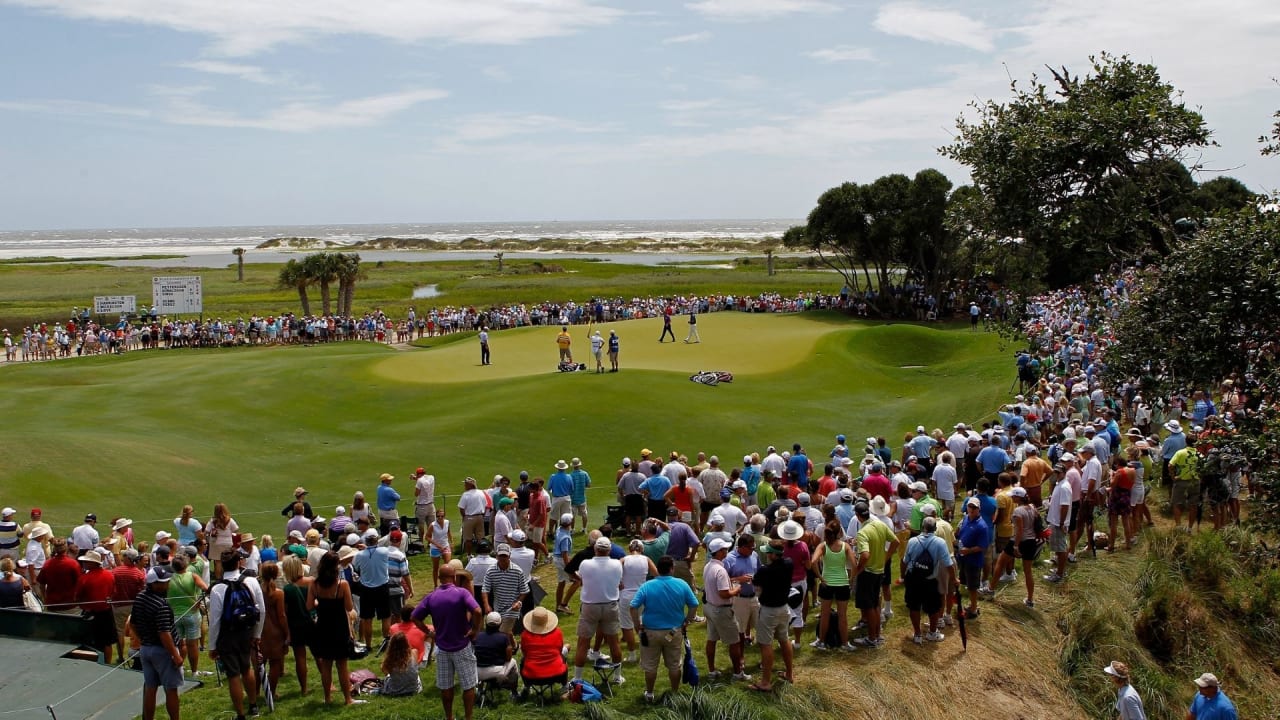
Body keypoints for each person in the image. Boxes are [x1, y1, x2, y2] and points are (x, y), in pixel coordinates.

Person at [411, 564, 482, 720]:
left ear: (439, 578)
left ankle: (449, 717)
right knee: (469, 685)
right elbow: (477, 611)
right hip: (462, 645)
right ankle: (468, 717)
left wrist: (429, 632)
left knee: (446, 686)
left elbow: (415, 617)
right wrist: (475, 629)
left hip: (442, 647)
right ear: (454, 577)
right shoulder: (461, 593)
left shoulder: (431, 596)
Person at [629, 556, 700, 703]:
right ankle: (674, 693)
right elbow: (694, 604)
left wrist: (637, 625)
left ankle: (649, 693)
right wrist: (688, 620)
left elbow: (633, 606)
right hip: (673, 631)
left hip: (650, 632)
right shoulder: (681, 584)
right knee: (674, 665)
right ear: (672, 568)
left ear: (658, 569)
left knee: (650, 666)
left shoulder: (647, 586)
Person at [209, 549, 267, 718]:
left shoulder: (217, 588)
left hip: (228, 634)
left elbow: (215, 621)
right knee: (247, 667)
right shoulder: (251, 581)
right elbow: (261, 610)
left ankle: (240, 713)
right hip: (247, 631)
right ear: (238, 563)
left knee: (233, 674)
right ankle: (253, 705)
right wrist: (257, 634)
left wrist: (212, 646)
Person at [570, 536, 626, 685]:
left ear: (595, 549)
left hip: (590, 606)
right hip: (610, 605)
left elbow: (579, 578)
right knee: (614, 642)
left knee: (583, 643)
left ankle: (578, 678)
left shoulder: (585, 564)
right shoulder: (616, 564)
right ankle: (617, 677)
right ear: (609, 550)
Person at [306, 551, 359, 706]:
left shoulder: (314, 584)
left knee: (326, 665)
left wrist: (319, 603)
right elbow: (349, 607)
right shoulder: (342, 584)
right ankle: (348, 699)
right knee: (342, 665)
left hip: (323, 626)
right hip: (339, 627)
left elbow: (309, 606)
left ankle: (328, 697)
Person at [133, 566, 184, 720]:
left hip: (146, 649)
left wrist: (143, 640)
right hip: (163, 651)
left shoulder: (140, 597)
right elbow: (164, 633)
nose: (167, 584)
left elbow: (133, 624)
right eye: (163, 582)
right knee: (171, 690)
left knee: (150, 687)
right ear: (154, 584)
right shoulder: (161, 605)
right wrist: (175, 655)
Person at [900, 517, 955, 643]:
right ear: (935, 529)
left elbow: (904, 561)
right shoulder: (940, 542)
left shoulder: (912, 541)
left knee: (914, 607)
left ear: (922, 527)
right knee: (933, 608)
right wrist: (954, 578)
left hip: (913, 579)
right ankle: (932, 633)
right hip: (930, 580)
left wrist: (903, 577)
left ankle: (917, 634)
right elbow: (948, 564)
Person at [702, 537, 749, 680]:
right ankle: (737, 673)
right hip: (721, 610)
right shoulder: (721, 571)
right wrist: (737, 590)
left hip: (709, 607)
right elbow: (724, 594)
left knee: (711, 639)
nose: (727, 551)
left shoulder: (708, 566)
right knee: (734, 642)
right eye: (725, 549)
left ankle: (712, 671)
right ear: (720, 552)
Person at [852, 503, 898, 647]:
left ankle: (872, 638)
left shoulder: (863, 533)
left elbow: (864, 555)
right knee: (876, 604)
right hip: (879, 570)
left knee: (870, 606)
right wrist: (886, 557)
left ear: (858, 516)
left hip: (868, 572)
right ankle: (877, 635)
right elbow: (895, 542)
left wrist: (857, 570)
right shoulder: (880, 525)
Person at [810, 522, 856, 651]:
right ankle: (845, 643)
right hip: (842, 583)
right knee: (842, 616)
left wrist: (820, 577)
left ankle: (822, 641)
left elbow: (813, 561)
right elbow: (854, 564)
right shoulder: (845, 546)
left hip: (827, 583)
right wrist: (851, 579)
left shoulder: (823, 546)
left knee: (825, 614)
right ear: (839, 533)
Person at [351, 530, 392, 650]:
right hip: (382, 587)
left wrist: (365, 550)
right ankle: (386, 642)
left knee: (367, 618)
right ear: (376, 539)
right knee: (385, 617)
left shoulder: (359, 555)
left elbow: (357, 567)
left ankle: (368, 645)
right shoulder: (384, 551)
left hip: (366, 589)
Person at [76, 550, 117, 663]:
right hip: (106, 612)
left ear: (93, 563)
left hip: (91, 613)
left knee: (91, 642)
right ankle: (107, 663)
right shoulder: (109, 575)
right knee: (107, 642)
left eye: (87, 561)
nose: (84, 563)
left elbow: (78, 597)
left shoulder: (84, 578)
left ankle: (94, 663)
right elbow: (113, 592)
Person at [279, 555, 312, 695]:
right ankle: (329, 685)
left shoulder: (287, 589)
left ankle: (304, 688)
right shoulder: (310, 583)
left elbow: (285, 611)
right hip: (311, 622)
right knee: (319, 656)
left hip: (295, 625)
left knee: (300, 657)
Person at [481, 544, 529, 635]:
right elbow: (485, 589)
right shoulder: (491, 571)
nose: (503, 558)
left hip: (512, 610)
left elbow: (524, 591)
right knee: (505, 633)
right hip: (497, 608)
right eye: (501, 556)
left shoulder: (517, 571)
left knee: (501, 633)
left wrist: (518, 602)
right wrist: (486, 605)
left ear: (509, 556)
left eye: (505, 556)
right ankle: (514, 646)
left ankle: (507, 647)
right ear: (496, 556)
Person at [956, 497, 991, 619]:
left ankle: (973, 609)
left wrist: (969, 550)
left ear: (979, 509)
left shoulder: (982, 526)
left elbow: (982, 546)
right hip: (963, 558)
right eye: (970, 506)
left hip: (973, 560)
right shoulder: (965, 518)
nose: (971, 509)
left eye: (974, 507)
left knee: (972, 586)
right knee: (965, 582)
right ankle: (971, 604)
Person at [519, 606, 568, 690]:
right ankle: (565, 686)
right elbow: (559, 650)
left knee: (523, 661)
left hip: (531, 677)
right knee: (562, 657)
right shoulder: (557, 633)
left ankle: (526, 687)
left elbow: (525, 653)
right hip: (557, 675)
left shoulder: (525, 635)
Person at [473, 612, 518, 697]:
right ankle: (514, 692)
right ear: (500, 624)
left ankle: (480, 690)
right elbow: (508, 658)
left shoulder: (478, 636)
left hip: (476, 672)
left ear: (486, 622)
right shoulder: (504, 638)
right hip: (495, 672)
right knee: (513, 662)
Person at [553, 513, 575, 612]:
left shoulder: (559, 530)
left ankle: (559, 606)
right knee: (577, 580)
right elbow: (565, 555)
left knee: (561, 583)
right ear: (570, 522)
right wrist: (570, 568)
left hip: (558, 559)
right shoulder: (565, 538)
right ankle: (563, 604)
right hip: (561, 560)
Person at [429, 507, 454, 587]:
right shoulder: (433, 525)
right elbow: (427, 537)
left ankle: (448, 584)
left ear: (444, 516)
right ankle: (436, 585)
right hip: (435, 548)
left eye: (442, 516)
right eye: (438, 516)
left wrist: (452, 542)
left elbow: (449, 532)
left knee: (448, 566)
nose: (440, 518)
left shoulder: (447, 522)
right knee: (436, 568)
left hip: (445, 546)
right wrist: (437, 545)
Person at [414, 467, 437, 544]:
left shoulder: (419, 481)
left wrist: (416, 479)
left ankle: (421, 542)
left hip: (421, 506)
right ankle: (430, 543)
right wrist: (415, 478)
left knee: (421, 526)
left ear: (418, 474)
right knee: (431, 526)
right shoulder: (431, 477)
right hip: (431, 505)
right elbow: (424, 480)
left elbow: (416, 493)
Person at [569, 458, 592, 533]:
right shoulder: (584, 473)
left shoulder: (570, 475)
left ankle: (572, 529)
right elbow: (589, 485)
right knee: (584, 514)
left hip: (573, 498)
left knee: (572, 515)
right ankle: (584, 529)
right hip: (582, 498)